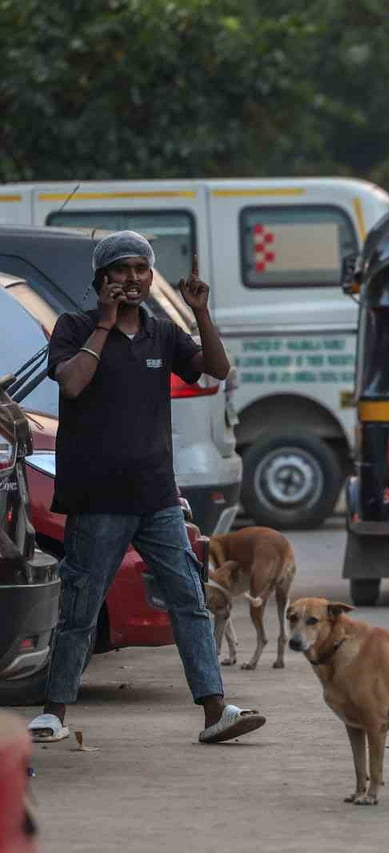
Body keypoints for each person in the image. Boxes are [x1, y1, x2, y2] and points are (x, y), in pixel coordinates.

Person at [27, 231, 267, 745]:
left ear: (151, 277)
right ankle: (54, 711)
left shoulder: (162, 333)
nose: (132, 278)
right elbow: (71, 383)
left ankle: (215, 710)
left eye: (141, 269)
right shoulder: (73, 327)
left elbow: (216, 372)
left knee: (188, 599)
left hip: (156, 496)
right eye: (121, 270)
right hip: (97, 499)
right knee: (81, 607)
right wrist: (105, 327)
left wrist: (200, 311)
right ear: (101, 280)